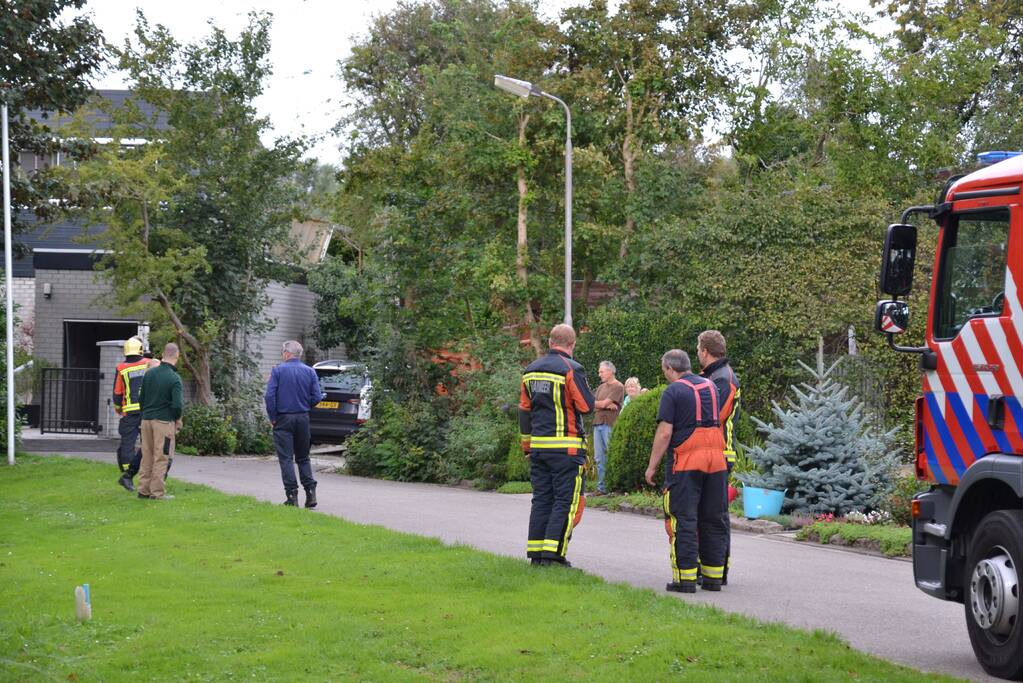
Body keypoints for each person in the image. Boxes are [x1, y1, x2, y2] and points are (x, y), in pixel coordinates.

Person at [645, 349, 728, 593]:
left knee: (684, 519)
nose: (665, 376)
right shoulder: (712, 387)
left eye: (665, 371)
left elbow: (664, 432)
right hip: (716, 461)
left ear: (671, 369)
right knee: (713, 518)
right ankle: (713, 578)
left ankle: (686, 579)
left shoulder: (674, 391)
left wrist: (652, 467)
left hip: (687, 462)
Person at [519, 324, 595, 567]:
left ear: (551, 342)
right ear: (572, 345)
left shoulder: (530, 371)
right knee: (565, 501)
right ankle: (554, 555)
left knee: (541, 499)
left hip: (539, 448)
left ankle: (537, 555)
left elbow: (524, 411)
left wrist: (527, 446)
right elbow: (586, 406)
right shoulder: (571, 369)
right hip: (567, 449)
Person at [698, 329, 741, 585]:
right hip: (711, 452)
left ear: (705, 351)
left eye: (698, 349)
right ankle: (710, 565)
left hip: (719, 453)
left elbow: (716, 415)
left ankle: (718, 568)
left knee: (715, 515)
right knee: (707, 513)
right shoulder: (715, 375)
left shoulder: (723, 379)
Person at [264, 340, 324, 508]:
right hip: (303, 418)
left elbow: (269, 396)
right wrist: (306, 405)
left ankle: (292, 496)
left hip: (283, 418)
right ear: (300, 354)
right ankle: (310, 493)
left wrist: (273, 417)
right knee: (303, 457)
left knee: (286, 459)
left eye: (283, 353)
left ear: (286, 353)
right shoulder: (310, 371)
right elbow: (317, 397)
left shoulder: (278, 371)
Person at [137, 343, 184, 500]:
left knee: (147, 455)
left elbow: (141, 398)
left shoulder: (149, 374)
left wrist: (146, 413)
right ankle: (157, 493)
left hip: (146, 420)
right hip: (163, 422)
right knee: (161, 456)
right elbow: (177, 405)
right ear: (177, 356)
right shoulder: (174, 378)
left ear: (163, 354)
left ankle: (143, 490)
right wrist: (176, 419)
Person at [113, 337, 149, 492]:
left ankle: (127, 475)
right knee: (147, 443)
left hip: (129, 412)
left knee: (127, 444)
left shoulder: (121, 368)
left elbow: (117, 393)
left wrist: (118, 409)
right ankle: (140, 473)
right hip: (146, 410)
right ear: (140, 349)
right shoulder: (149, 363)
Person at [591, 361, 624, 495]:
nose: (599, 374)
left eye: (601, 372)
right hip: (597, 423)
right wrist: (604, 405)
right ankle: (602, 488)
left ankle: (615, 486)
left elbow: (600, 403)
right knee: (599, 458)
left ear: (610, 371)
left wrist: (602, 404)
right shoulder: (600, 388)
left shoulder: (618, 386)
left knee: (611, 455)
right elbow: (590, 404)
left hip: (610, 424)